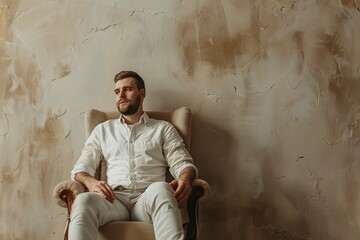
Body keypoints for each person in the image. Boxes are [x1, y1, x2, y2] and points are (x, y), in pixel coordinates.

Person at [68, 70, 197, 240]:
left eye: (127, 89)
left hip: (148, 198)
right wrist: (91, 182)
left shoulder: (163, 128)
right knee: (83, 201)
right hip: (113, 200)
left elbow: (182, 162)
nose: (121, 95)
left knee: (162, 188)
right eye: (117, 91)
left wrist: (186, 177)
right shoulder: (103, 130)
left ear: (142, 93)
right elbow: (81, 168)